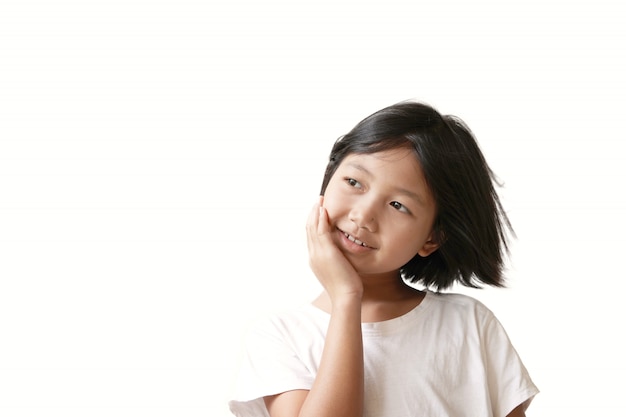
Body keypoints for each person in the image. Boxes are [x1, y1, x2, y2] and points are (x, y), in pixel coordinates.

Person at [228, 100, 539, 417]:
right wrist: (347, 297)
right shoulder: (282, 336)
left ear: (431, 238)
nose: (363, 216)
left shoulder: (471, 325)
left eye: (398, 205)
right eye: (353, 182)